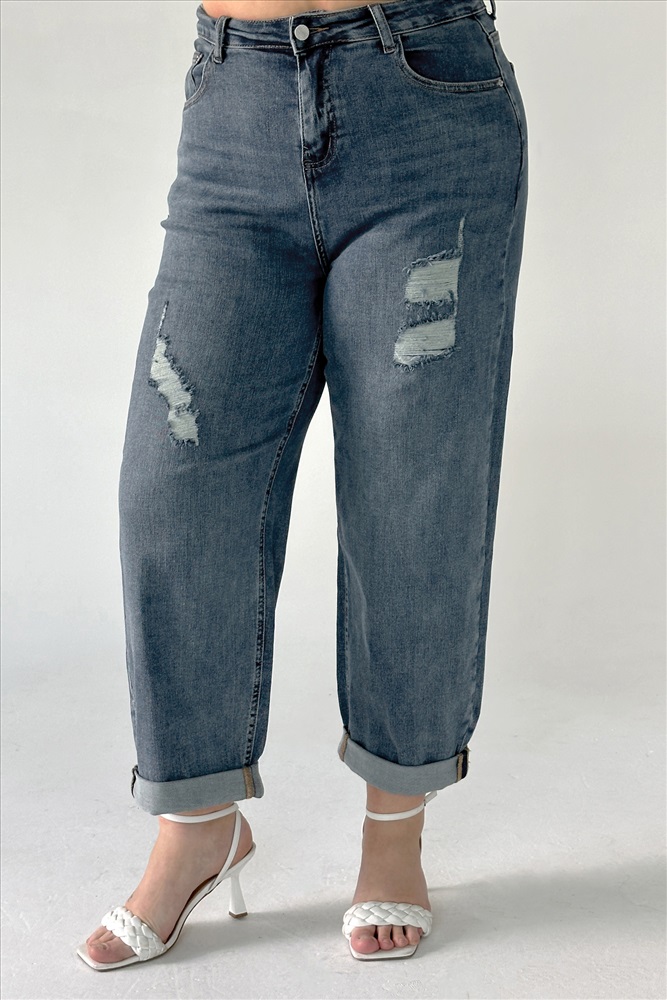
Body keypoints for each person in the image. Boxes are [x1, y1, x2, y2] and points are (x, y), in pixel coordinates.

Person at [77, 0, 528, 968]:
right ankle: (197, 824)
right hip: (235, 98)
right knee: (170, 486)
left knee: (410, 492)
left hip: (424, 95)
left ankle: (393, 826)